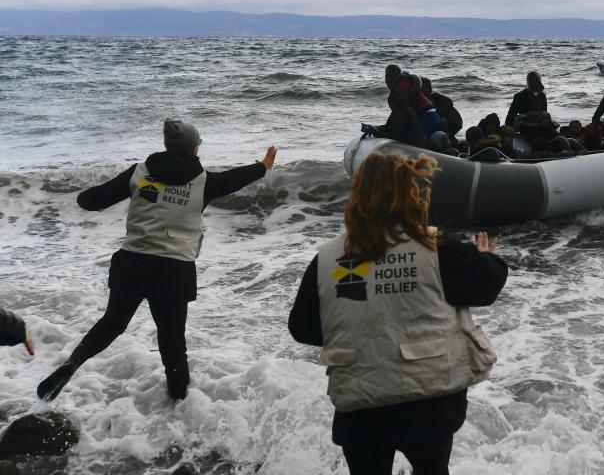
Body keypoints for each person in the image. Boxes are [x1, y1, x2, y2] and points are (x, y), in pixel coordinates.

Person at [288, 151, 507, 475]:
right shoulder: (437, 247)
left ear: (358, 194)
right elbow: (486, 288)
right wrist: (485, 257)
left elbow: (302, 328)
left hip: (361, 401)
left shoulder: (332, 258)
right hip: (429, 399)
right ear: (412, 192)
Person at [37, 119, 277, 402]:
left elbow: (89, 201)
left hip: (131, 264)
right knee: (172, 342)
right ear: (194, 148)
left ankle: (72, 363)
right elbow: (234, 179)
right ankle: (179, 402)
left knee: (112, 324)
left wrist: (91, 191)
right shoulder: (205, 182)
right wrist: (263, 165)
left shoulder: (138, 173)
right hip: (173, 271)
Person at [384, 66, 443, 137]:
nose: (387, 78)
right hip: (432, 114)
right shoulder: (404, 82)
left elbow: (402, 107)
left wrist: (388, 129)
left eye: (388, 75)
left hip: (427, 117)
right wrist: (387, 125)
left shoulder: (401, 85)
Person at [365, 90, 431, 150]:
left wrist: (376, 132)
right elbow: (387, 126)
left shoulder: (402, 112)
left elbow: (395, 136)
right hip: (413, 143)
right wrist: (375, 128)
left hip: (417, 145)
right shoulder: (397, 111)